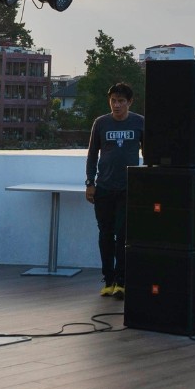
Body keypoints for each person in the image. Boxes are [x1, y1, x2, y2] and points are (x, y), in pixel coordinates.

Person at [84, 83, 143, 298]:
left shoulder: (139, 122)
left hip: (128, 188)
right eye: (113, 101)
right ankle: (108, 280)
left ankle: (122, 280)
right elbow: (92, 154)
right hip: (104, 187)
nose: (116, 105)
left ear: (130, 102)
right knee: (106, 234)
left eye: (121, 101)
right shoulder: (101, 123)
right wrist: (90, 183)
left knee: (124, 234)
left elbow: (150, 154)